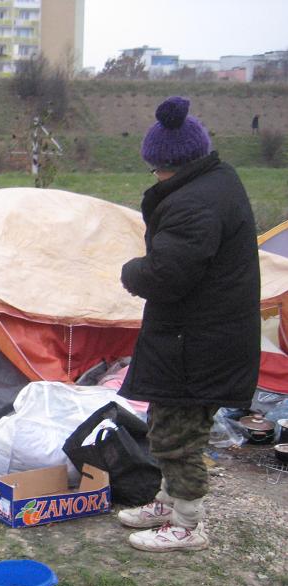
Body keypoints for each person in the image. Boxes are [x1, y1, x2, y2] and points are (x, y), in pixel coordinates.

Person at [116, 96, 260, 553]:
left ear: (170, 165)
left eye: (154, 168)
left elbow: (168, 275)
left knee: (179, 435)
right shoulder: (217, 181)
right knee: (165, 418)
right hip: (196, 333)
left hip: (197, 340)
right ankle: (167, 499)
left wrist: (131, 272)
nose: (153, 176)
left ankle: (188, 522)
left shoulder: (194, 205)